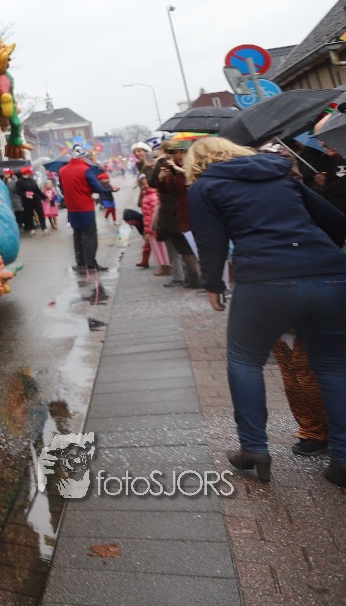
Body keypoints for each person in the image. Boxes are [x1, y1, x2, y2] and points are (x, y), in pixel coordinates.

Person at [186, 135, 346, 486]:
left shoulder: (204, 187)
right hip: (330, 273)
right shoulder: (279, 173)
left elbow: (211, 242)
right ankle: (343, 460)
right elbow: (334, 220)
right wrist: (316, 255)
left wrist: (213, 285)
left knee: (244, 361)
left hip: (264, 280)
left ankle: (254, 449)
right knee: (335, 367)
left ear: (196, 164)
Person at [147, 141, 200, 289]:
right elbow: (166, 190)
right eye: (175, 152)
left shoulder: (194, 165)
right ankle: (194, 278)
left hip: (194, 209)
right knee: (184, 247)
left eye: (181, 152)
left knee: (196, 246)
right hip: (179, 211)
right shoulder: (170, 166)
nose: (178, 155)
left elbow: (194, 180)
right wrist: (161, 178)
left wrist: (180, 170)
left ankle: (201, 278)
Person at [59, 145, 111, 272]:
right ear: (82, 157)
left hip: (72, 208)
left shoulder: (62, 170)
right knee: (89, 235)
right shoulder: (86, 170)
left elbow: (62, 189)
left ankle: (81, 262)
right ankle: (91, 263)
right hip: (85, 207)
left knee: (77, 235)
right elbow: (97, 188)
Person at [14, 166, 46, 234]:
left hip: (36, 200)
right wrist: (25, 194)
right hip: (26, 202)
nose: (30, 174)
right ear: (25, 173)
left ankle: (44, 227)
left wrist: (44, 197)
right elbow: (18, 191)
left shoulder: (32, 180)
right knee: (29, 215)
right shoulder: (19, 182)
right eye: (29, 173)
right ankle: (32, 228)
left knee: (41, 214)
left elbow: (38, 190)